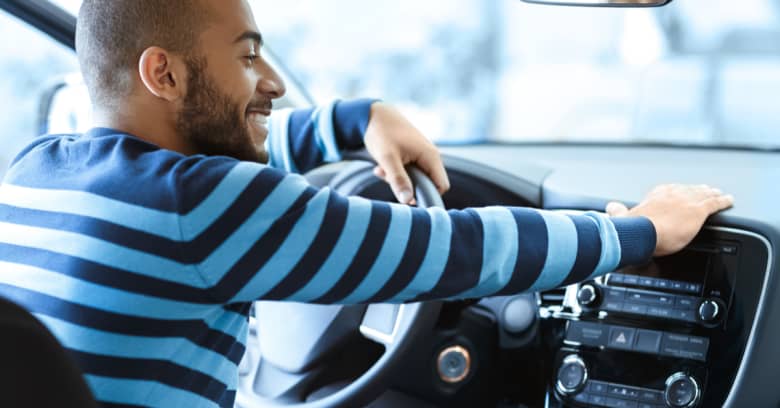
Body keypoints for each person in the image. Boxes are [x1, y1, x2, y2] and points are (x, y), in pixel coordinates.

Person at [0, 0, 733, 407]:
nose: (274, 83)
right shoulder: (205, 205)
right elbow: (455, 252)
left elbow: (227, 144)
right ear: (162, 72)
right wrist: (637, 231)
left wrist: (354, 120)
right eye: (248, 56)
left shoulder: (34, 170)